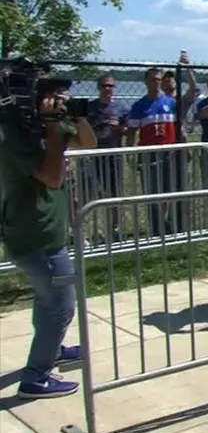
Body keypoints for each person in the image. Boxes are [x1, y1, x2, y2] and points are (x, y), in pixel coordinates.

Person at [0, 78, 98, 399]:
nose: (61, 101)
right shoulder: (15, 135)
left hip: (47, 234)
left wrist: (76, 116)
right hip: (35, 238)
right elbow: (53, 178)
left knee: (47, 303)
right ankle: (36, 377)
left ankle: (52, 349)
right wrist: (54, 128)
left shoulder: (46, 127)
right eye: (56, 97)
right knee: (61, 306)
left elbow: (89, 143)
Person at [125, 67, 180, 236]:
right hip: (149, 155)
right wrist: (130, 153)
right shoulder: (139, 106)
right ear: (146, 82)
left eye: (159, 79)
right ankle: (156, 229)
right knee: (153, 192)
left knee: (171, 190)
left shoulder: (172, 103)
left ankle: (170, 224)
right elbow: (132, 132)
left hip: (170, 153)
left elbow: (180, 127)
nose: (156, 83)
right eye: (153, 80)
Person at [86, 74, 127, 239]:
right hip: (91, 155)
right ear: (98, 88)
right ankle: (90, 230)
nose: (108, 89)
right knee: (88, 192)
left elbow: (128, 129)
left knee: (114, 193)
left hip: (114, 154)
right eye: (104, 86)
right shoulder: (90, 108)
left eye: (111, 86)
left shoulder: (121, 108)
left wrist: (119, 128)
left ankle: (114, 228)